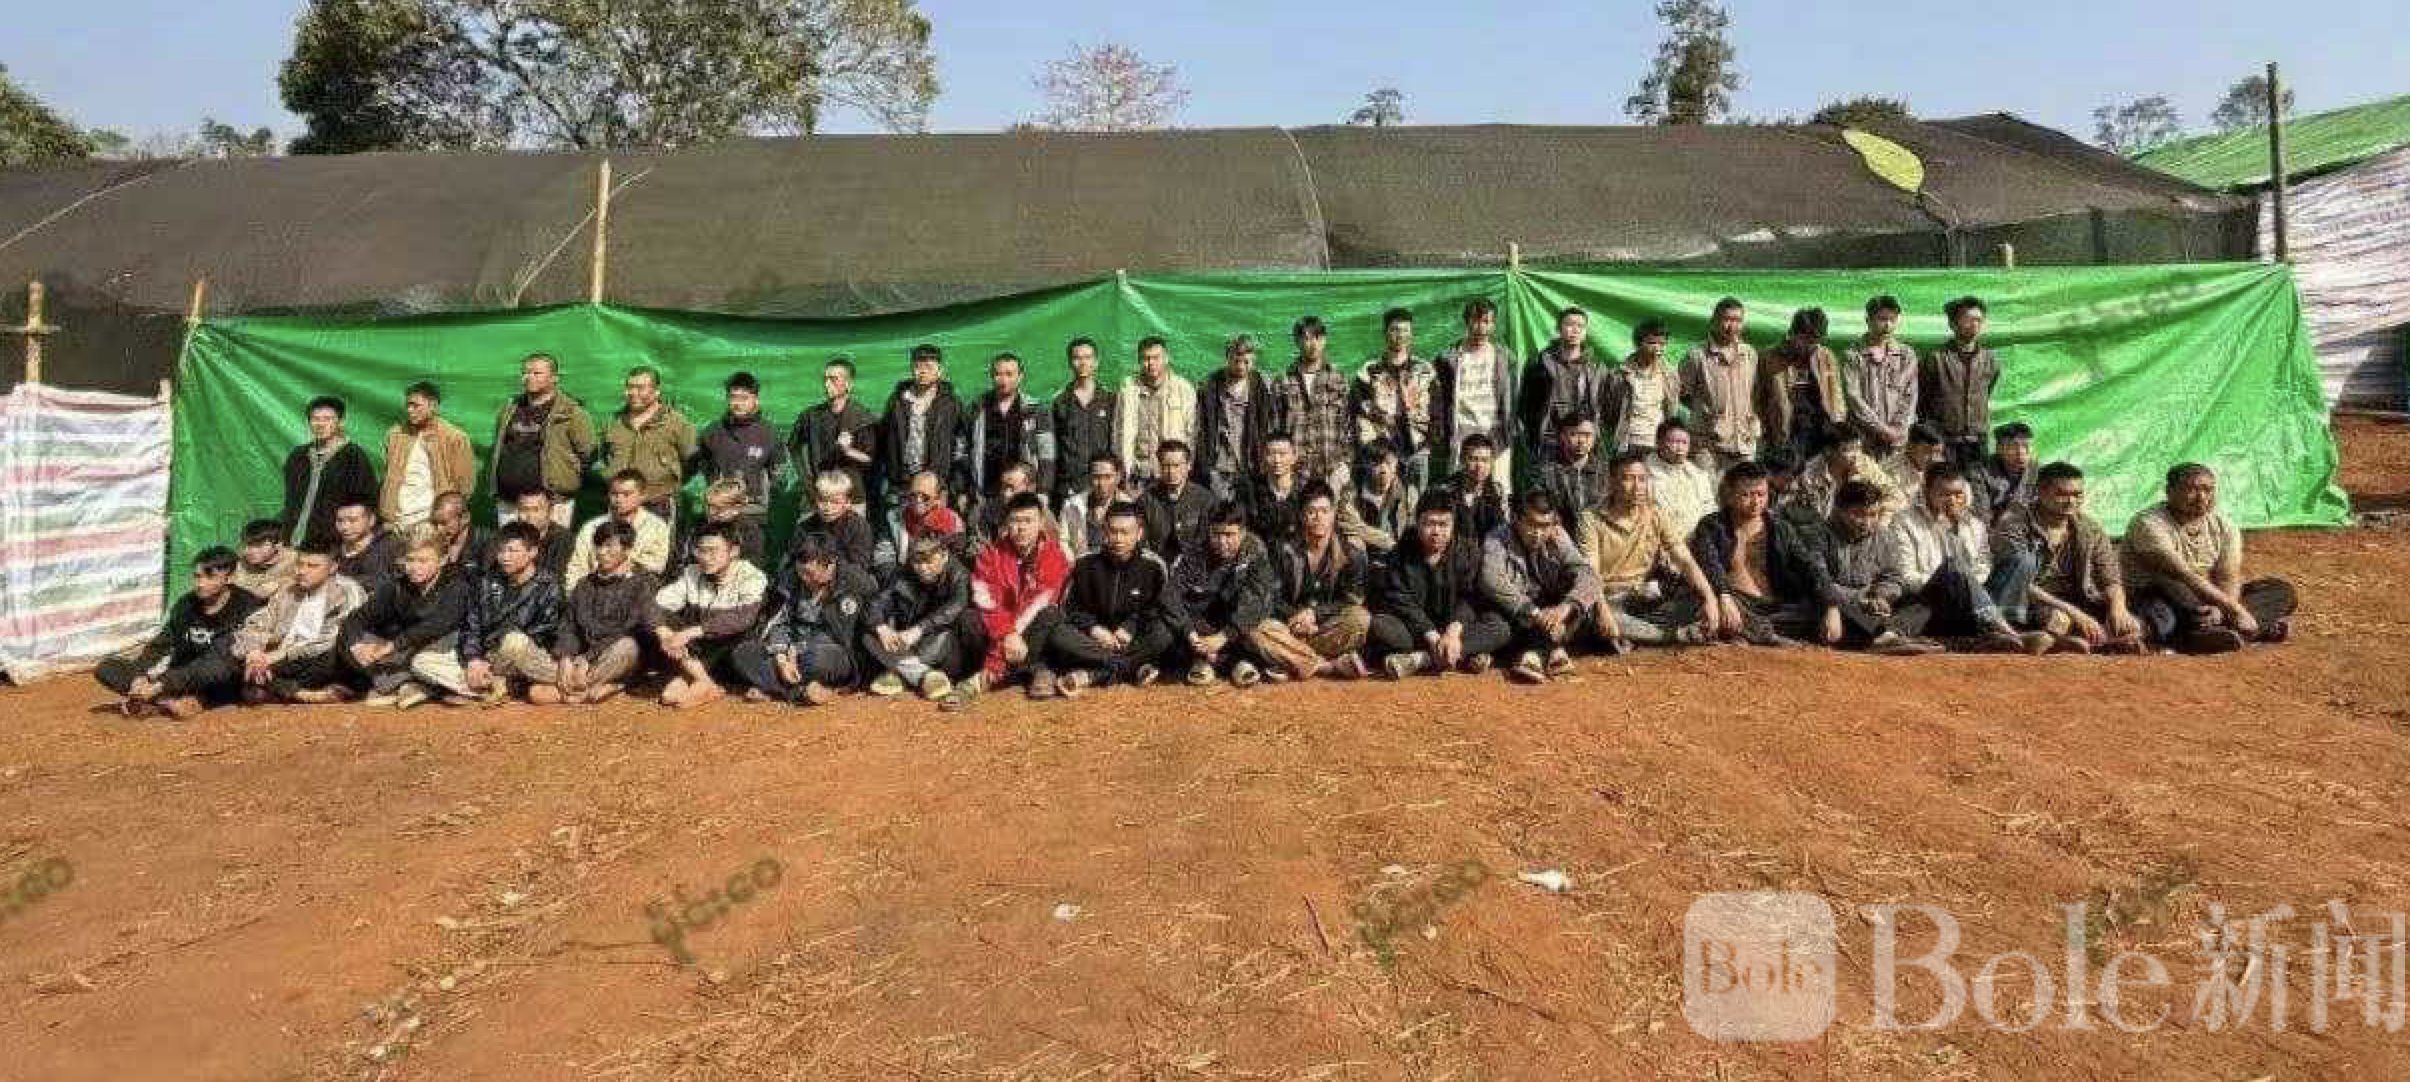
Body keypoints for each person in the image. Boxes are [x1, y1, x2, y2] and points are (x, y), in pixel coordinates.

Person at [2120, 463, 2297, 653]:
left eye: (2208, 490)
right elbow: (2184, 575)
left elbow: (2227, 577)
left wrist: (2222, 610)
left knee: (2281, 590)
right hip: (2159, 595)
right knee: (2169, 593)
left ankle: (2214, 632)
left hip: (2210, 597)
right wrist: (2235, 610)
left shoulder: (2225, 526)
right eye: (2192, 490)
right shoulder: (2148, 524)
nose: (2202, 497)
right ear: (2169, 492)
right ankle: (2236, 631)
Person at [1876, 464, 2047, 653]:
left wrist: (1966, 585)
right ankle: (2007, 633)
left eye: (1958, 494)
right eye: (1944, 494)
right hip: (1925, 598)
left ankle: (1986, 635)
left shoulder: (1975, 525)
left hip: (1970, 602)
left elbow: (1984, 565)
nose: (1952, 500)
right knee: (1953, 568)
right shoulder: (1904, 521)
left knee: (2013, 562)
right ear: (1926, 492)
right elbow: (1904, 575)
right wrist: (1950, 579)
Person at [95, 546, 266, 719]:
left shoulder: (246, 606)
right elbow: (160, 645)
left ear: (230, 578)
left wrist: (160, 685)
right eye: (197, 576)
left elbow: (219, 661)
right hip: (177, 676)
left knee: (224, 672)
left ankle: (177, 700)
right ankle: (165, 701)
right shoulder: (186, 604)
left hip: (216, 676)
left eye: (210, 577)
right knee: (107, 667)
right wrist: (139, 677)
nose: (200, 584)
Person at [1993, 462, 2144, 654]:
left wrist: (2118, 609)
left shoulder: (2089, 528)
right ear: (2040, 492)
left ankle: (2083, 641)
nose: (2071, 501)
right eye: (2062, 494)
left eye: (2077, 495)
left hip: (2076, 599)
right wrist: (2075, 613)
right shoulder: (2014, 524)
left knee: (2131, 622)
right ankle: (2067, 641)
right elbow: (2017, 582)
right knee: (2058, 619)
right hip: (2028, 600)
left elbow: (2110, 577)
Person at [411, 522, 565, 705]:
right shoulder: (487, 581)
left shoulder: (549, 586)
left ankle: (546, 683)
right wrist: (474, 659)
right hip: (488, 655)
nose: (504, 557)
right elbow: (472, 625)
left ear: (532, 552)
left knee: (514, 642)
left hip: (523, 655)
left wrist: (492, 653)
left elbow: (544, 635)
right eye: (501, 551)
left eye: (512, 551)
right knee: (422, 661)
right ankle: (494, 686)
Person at [201, 540, 369, 704]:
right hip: (285, 661)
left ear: (333, 567)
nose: (302, 571)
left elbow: (334, 637)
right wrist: (254, 652)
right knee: (231, 649)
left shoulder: (348, 591)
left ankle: (269, 689)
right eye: (300, 564)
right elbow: (258, 621)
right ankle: (301, 694)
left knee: (334, 653)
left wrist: (279, 655)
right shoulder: (289, 590)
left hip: (322, 658)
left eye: (312, 566)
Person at [1368, 492, 1513, 679]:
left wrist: (1453, 632)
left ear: (1453, 526)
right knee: (1380, 626)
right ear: (1417, 523)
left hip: (1457, 628)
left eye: (1443, 524)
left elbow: (1470, 597)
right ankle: (1460, 655)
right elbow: (1400, 599)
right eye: (1429, 524)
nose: (1436, 531)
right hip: (1417, 629)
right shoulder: (1400, 553)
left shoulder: (1468, 552)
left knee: (1500, 627)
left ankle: (1424, 659)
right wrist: (1431, 634)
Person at [1046, 501, 1183, 695]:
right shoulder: (1085, 563)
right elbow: (1070, 607)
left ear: (1139, 534)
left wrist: (1130, 627)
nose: (1118, 539)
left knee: (1164, 633)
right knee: (1058, 634)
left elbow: (1158, 606)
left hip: (1134, 640)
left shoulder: (1153, 566)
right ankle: (1132, 667)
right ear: (1104, 531)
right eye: (1113, 531)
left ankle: (1094, 674)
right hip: (1093, 642)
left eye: (1125, 532)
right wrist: (1094, 629)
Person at [1687, 461, 1829, 646]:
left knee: (1821, 608)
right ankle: (1765, 636)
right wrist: (1724, 595)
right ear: (1729, 494)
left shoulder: (1780, 528)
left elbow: (1808, 564)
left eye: (1761, 495)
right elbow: (1710, 564)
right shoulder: (1712, 526)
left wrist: (1830, 604)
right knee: (1703, 604)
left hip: (1776, 609)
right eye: (1746, 495)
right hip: (1734, 602)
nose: (1756, 503)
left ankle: (1749, 633)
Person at [1587, 450, 1718, 647]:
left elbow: (1685, 560)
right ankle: (1673, 635)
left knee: (1701, 599)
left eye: (1642, 479)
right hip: (1610, 598)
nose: (1637, 487)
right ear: (1612, 482)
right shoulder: (1590, 518)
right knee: (1592, 616)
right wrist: (1603, 611)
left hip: (1645, 596)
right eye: (1629, 479)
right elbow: (1591, 573)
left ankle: (1635, 634)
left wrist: (1710, 599)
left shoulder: (1656, 513)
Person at [1481, 491, 1615, 683]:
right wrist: (1535, 614)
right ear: (1516, 519)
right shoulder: (1497, 538)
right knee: (1499, 620)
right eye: (1531, 524)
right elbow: (1491, 581)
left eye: (1544, 526)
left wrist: (1565, 608)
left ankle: (1534, 655)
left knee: (1583, 605)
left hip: (1554, 613)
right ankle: (1551, 652)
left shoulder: (1558, 536)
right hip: (1518, 611)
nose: (1538, 533)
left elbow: (1588, 575)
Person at [734, 536, 877, 706]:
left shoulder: (854, 581)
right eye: (800, 572)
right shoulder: (789, 580)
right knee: (743, 652)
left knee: (816, 659)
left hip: (832, 650)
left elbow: (850, 627)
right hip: (789, 649)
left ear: (830, 564)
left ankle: (771, 685)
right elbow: (779, 622)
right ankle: (800, 691)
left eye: (810, 573)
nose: (804, 578)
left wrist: (796, 652)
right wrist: (781, 659)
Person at [1810, 480, 1946, 655]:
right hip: (1838, 606)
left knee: (1923, 602)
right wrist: (1862, 600)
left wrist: (1881, 597)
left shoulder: (1883, 536)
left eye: (1873, 514)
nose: (1866, 522)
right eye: (1858, 514)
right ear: (1839, 511)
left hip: (1874, 608)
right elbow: (1819, 580)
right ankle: (1889, 635)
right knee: (1828, 604)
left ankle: (1888, 635)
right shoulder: (1818, 535)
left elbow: (1892, 576)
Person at [1255, 482, 1374, 681]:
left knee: (1360, 619)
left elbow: (1352, 600)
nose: (1319, 518)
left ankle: (1290, 658)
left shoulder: (1351, 553)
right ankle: (1326, 666)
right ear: (1302, 515)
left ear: (1333, 514)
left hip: (1325, 628)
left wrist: (1315, 615)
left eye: (1324, 511)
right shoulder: (1282, 550)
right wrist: (1294, 617)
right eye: (1311, 512)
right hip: (1288, 626)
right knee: (1257, 628)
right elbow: (1270, 597)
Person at [339, 535, 475, 709]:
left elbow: (438, 624)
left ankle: (406, 684)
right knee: (348, 640)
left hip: (445, 646)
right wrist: (356, 646)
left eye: (423, 561)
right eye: (410, 560)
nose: (414, 567)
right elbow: (357, 617)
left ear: (442, 560)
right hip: (407, 647)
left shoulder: (457, 584)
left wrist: (392, 646)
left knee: (421, 662)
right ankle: (411, 684)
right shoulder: (397, 586)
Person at [967, 492, 1073, 703]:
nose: (1021, 527)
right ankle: (1032, 671)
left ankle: (1010, 673)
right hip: (1000, 633)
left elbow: (1037, 606)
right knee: (969, 619)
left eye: (1028, 520)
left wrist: (1002, 650)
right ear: (1007, 523)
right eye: (1015, 521)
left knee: (1049, 615)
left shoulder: (1055, 557)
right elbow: (986, 603)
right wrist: (1006, 634)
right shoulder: (989, 556)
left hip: (1032, 631)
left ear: (1041, 523)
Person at [651, 522, 770, 709]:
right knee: (654, 619)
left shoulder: (752, 576)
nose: (705, 558)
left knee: (739, 646)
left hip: (732, 652)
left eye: (713, 551)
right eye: (701, 551)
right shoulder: (692, 573)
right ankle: (703, 681)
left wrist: (690, 632)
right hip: (698, 652)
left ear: (734, 551)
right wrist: (665, 633)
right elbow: (657, 604)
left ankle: (694, 678)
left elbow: (743, 619)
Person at [1172, 501, 1277, 688]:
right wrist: (1192, 634)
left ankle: (1235, 662)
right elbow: (1173, 595)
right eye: (1216, 534)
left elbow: (1255, 601)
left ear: (1242, 533)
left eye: (1229, 535)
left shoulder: (1256, 552)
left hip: (1238, 624)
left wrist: (1223, 637)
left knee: (1260, 629)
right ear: (1209, 531)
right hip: (1201, 625)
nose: (1222, 542)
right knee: (1171, 625)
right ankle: (1215, 661)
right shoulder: (1194, 551)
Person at [552, 520, 656, 704]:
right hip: (582, 659)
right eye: (598, 545)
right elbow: (569, 626)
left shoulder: (641, 583)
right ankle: (592, 686)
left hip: (617, 656)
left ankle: (578, 686)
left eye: (609, 546)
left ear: (627, 550)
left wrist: (588, 658)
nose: (601, 552)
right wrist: (566, 658)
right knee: (539, 691)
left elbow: (627, 629)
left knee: (627, 646)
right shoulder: (584, 585)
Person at [878, 344, 968, 556]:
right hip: (901, 483)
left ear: (940, 370)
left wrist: (956, 485)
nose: (922, 371)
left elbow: (961, 446)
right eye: (918, 366)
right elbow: (884, 440)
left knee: (935, 539)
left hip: (935, 485)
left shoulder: (951, 403)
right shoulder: (897, 401)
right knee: (901, 534)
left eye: (928, 366)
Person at [864, 535, 978, 700]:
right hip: (907, 643)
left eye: (929, 561)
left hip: (943, 641)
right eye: (917, 562)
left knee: (960, 625)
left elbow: (955, 607)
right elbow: (877, 602)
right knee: (868, 635)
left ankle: (902, 672)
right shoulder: (902, 574)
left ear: (944, 556)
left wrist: (919, 629)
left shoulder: (959, 575)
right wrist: (880, 627)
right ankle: (925, 676)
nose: (923, 568)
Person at [491, 353, 596, 528]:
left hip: (553, 503)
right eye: (525, 373)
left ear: (554, 378)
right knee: (511, 546)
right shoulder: (510, 408)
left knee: (552, 544)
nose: (528, 377)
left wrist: (563, 480)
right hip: (509, 502)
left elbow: (588, 453)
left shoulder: (571, 412)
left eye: (536, 373)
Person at [1432, 298, 1518, 482]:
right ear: (1467, 322)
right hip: (1461, 435)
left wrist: (1509, 431)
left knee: (1498, 489)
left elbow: (1513, 399)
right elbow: (1440, 399)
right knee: (1459, 489)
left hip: (1496, 436)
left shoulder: (1505, 358)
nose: (1481, 327)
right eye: (1476, 321)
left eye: (1487, 321)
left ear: (1493, 324)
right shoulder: (1448, 358)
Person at [1515, 305, 1606, 479]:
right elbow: (1525, 404)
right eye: (1569, 324)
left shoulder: (1596, 368)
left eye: (1580, 326)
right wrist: (1533, 432)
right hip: (1549, 439)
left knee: (1582, 484)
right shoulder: (1539, 364)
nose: (1575, 330)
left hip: (1582, 439)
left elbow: (1602, 405)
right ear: (1559, 328)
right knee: (1546, 485)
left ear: (1585, 331)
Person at [602, 365, 700, 524]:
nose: (633, 393)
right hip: (619, 505)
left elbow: (692, 462)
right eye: (629, 387)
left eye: (640, 388)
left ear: (656, 391)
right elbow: (604, 457)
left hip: (658, 505)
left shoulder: (676, 423)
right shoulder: (614, 422)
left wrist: (667, 482)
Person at [1353, 307, 1438, 487]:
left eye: (1405, 330)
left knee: (1418, 501)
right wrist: (1372, 447)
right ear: (1385, 333)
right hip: (1382, 455)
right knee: (1384, 500)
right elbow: (1359, 411)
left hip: (1419, 450)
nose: (1400, 335)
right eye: (1395, 330)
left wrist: (1429, 443)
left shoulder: (1425, 370)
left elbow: (1438, 409)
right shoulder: (1368, 371)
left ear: (1411, 334)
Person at [281, 395, 379, 547]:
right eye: (315, 419)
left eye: (328, 419)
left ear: (340, 422)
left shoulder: (353, 456)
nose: (321, 424)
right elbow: (291, 500)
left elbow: (364, 502)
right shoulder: (298, 456)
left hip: (334, 543)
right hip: (293, 540)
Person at [964, 351, 1057, 512]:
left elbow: (1047, 454)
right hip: (986, 494)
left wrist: (1043, 491)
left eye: (1009, 374)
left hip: (1022, 493)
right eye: (998, 374)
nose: (1003, 380)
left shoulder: (1036, 410)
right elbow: (963, 451)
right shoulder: (976, 409)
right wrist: (963, 490)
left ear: (1020, 376)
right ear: (991, 376)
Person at [1678, 297, 1762, 470]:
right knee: (1706, 488)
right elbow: (1682, 393)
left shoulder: (1749, 354)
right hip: (1708, 446)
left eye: (1737, 320)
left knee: (1744, 487)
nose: (1732, 326)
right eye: (1727, 319)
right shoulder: (1697, 356)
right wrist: (1708, 414)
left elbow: (1754, 393)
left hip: (1744, 443)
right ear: (1714, 321)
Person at [381, 381, 475, 533]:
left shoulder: (454, 438)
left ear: (433, 406)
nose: (409, 410)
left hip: (430, 522)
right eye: (408, 405)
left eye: (415, 405)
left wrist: (444, 521)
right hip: (396, 522)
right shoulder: (395, 435)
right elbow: (387, 477)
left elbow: (464, 486)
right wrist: (387, 518)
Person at [1758, 308, 1847, 467]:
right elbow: (1758, 399)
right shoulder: (1769, 358)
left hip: (1821, 432)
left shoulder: (1826, 356)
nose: (1812, 346)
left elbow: (1837, 395)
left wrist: (1838, 425)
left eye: (1816, 341)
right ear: (1792, 333)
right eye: (1806, 340)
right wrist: (1765, 432)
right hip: (1786, 433)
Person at [695, 371, 786, 525]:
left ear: (756, 399)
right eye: (733, 397)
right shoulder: (713, 431)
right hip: (719, 511)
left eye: (744, 398)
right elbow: (702, 464)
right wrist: (717, 491)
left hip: (754, 512)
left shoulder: (769, 433)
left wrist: (760, 494)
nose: (737, 403)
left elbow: (778, 474)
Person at [1922, 296, 2001, 471]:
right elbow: (1923, 401)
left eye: (1978, 320)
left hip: (1977, 443)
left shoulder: (1990, 360)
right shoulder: (1935, 358)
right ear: (1952, 324)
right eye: (1968, 319)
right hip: (1943, 442)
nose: (1974, 324)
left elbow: (1986, 392)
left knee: (1978, 485)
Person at [1276, 317, 1355, 489]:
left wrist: (1345, 463)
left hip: (1332, 471)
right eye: (1307, 338)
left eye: (1318, 338)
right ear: (1297, 341)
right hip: (1295, 473)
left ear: (1324, 340)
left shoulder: (1338, 378)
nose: (1313, 344)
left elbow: (1349, 423)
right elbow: (1275, 427)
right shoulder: (1283, 380)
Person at [788, 356, 880, 501]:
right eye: (825, 379)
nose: (826, 384)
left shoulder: (863, 418)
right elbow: (793, 448)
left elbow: (872, 458)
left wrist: (847, 450)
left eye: (833, 379)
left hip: (852, 495)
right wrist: (806, 480)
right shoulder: (810, 416)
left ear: (849, 384)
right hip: (819, 492)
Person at [1782, 425, 1907, 531]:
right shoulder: (1809, 476)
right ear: (1829, 451)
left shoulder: (1863, 463)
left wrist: (1879, 516)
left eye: (1858, 448)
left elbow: (1897, 496)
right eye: (1848, 450)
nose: (1855, 455)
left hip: (1860, 529)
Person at [1197, 334, 1274, 501]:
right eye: (1236, 361)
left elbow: (1269, 426)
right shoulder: (1210, 386)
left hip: (1251, 465)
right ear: (1227, 358)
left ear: (1254, 360)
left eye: (1246, 361)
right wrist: (1205, 465)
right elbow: (1201, 428)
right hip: (1220, 466)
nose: (1241, 366)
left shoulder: (1263, 388)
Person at [566, 471, 673, 589]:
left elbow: (656, 566)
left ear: (642, 495)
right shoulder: (591, 527)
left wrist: (622, 562)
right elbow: (576, 568)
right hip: (593, 591)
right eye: (614, 494)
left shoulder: (656, 527)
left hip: (637, 592)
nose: (619, 500)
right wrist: (576, 594)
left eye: (626, 494)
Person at [1842, 297, 1918, 461]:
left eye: (1892, 320)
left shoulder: (1906, 355)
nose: (1888, 325)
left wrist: (1898, 429)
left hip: (1898, 440)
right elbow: (1853, 398)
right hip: (1864, 437)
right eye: (1882, 319)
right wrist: (1882, 429)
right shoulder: (1853, 355)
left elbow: (1910, 396)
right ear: (1868, 320)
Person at [1116, 336, 1197, 489]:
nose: (1151, 363)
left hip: (1172, 474)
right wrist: (1123, 471)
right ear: (1139, 361)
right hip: (1139, 474)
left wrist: (1187, 469)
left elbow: (1191, 433)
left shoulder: (1183, 389)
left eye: (1156, 358)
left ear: (1166, 358)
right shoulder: (1128, 390)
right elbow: (1118, 432)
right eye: (1146, 358)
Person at [1533, 411, 1611, 557]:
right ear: (1562, 436)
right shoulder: (1545, 472)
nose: (1581, 440)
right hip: (1560, 544)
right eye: (1574, 434)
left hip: (1601, 544)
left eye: (1587, 435)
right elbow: (1539, 511)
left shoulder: (1607, 472)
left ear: (1594, 438)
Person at [1051, 337, 1118, 507]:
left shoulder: (1110, 399)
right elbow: (1054, 446)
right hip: (1070, 486)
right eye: (1077, 358)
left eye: (1088, 357)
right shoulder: (1059, 402)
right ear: (1070, 362)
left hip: (1103, 485)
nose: (1082, 363)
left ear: (1096, 362)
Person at [1604, 320, 1682, 454]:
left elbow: (1671, 410)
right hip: (1627, 443)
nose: (1657, 348)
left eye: (1662, 344)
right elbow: (1610, 412)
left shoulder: (1670, 375)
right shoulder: (1619, 374)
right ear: (1638, 344)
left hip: (1657, 443)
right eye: (1651, 343)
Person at [784, 470, 876, 578]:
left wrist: (825, 567)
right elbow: (792, 560)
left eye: (835, 502)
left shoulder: (859, 527)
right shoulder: (804, 527)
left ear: (847, 503)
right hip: (808, 578)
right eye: (822, 500)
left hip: (845, 579)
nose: (827, 508)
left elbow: (860, 565)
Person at [1141, 440, 1215, 564]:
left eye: (1176, 465)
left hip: (1194, 565)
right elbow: (1141, 540)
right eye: (1166, 466)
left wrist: (1188, 558)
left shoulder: (1205, 499)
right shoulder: (1146, 500)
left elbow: (1207, 540)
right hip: (1154, 564)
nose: (1171, 472)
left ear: (1188, 466)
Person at [1644, 419, 1717, 540]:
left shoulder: (1698, 475)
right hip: (1658, 541)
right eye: (1674, 442)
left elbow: (1709, 509)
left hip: (1696, 542)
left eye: (1684, 443)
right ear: (1658, 442)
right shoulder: (1644, 475)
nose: (1680, 448)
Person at [672, 479, 766, 572]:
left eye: (718, 508)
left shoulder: (748, 531)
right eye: (708, 506)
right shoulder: (702, 525)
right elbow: (689, 556)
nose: (710, 512)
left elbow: (752, 564)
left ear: (736, 508)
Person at [1350, 443, 1416, 558]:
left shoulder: (1409, 492)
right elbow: (1350, 526)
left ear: (1396, 463)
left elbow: (1414, 528)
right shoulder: (1354, 492)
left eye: (1388, 463)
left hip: (1399, 555)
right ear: (1367, 464)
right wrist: (1385, 541)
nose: (1383, 469)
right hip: (1365, 555)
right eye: (1377, 463)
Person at [1439, 433, 1507, 544]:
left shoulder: (1497, 492)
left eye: (1485, 460)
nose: (1479, 466)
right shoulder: (1445, 490)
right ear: (1462, 459)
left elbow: (1502, 530)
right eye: (1473, 459)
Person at [1059, 452, 1125, 559]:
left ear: (1118, 477)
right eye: (1096, 477)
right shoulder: (1072, 505)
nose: (1102, 483)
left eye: (1108, 477)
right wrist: (1076, 563)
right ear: (1089, 477)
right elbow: (1063, 541)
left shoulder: (1129, 505)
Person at [900, 468, 972, 562]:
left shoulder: (951, 522)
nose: (917, 500)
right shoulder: (903, 515)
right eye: (913, 495)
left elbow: (957, 559)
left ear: (937, 498)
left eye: (925, 497)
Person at [331, 497, 401, 594]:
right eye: (340, 521)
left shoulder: (388, 548)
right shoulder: (333, 548)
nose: (345, 527)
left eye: (353, 520)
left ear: (371, 520)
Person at [1979, 421, 2038, 524]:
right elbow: (1981, 512)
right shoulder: (1983, 472)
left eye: (2026, 446)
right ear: (1999, 449)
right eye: (2012, 447)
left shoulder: (2036, 471)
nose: (2021, 452)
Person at [510, 489, 576, 579]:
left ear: (550, 512)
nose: (530, 516)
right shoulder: (507, 536)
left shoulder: (565, 540)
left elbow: (557, 577)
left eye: (536, 510)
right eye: (524, 509)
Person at [426, 492, 490, 580]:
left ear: (465, 518)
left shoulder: (489, 542)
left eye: (444, 523)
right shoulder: (434, 544)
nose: (438, 529)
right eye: (434, 523)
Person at [234, 519, 296, 599]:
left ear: (278, 545)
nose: (249, 551)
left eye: (258, 546)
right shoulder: (241, 563)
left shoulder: (295, 562)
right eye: (247, 545)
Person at [1886, 423, 1949, 500]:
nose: (1933, 458)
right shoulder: (1893, 472)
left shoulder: (1940, 468)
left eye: (1938, 452)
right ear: (1910, 447)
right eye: (1927, 451)